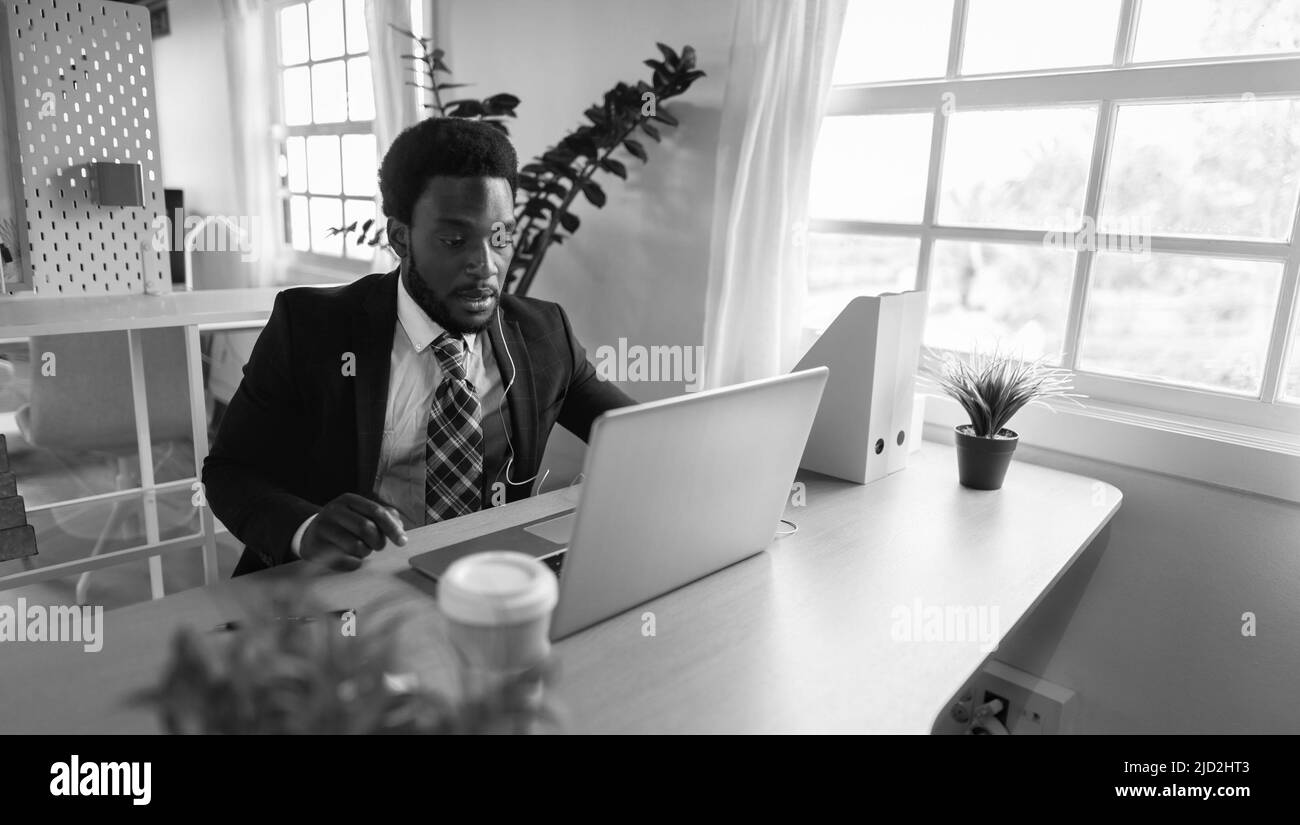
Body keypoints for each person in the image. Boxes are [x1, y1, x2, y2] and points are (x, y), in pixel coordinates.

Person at [202, 117, 636, 575]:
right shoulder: (311, 329)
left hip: (485, 586)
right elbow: (231, 470)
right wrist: (306, 527)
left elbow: (639, 435)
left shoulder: (545, 334)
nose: (485, 265)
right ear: (399, 238)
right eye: (454, 240)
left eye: (501, 236)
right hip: (344, 587)